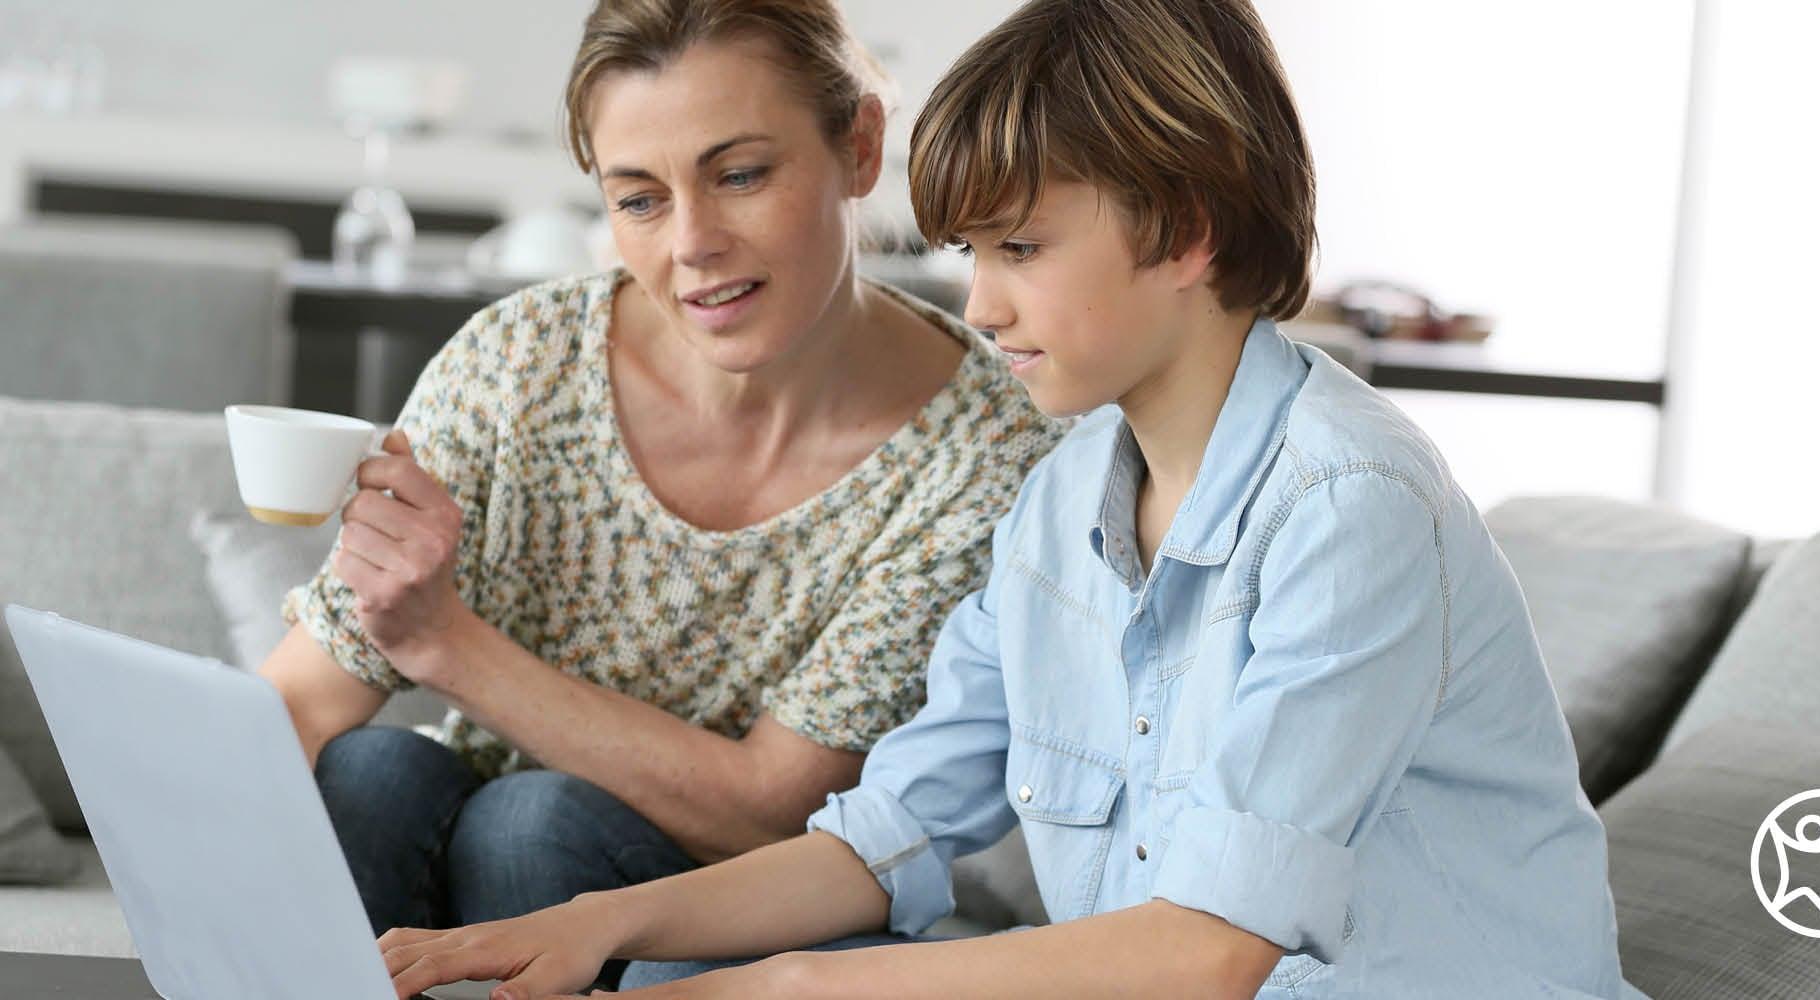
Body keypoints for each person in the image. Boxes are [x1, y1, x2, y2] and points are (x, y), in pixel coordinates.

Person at [375, 0, 1639, 996]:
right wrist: (594, 922)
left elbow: (1206, 955)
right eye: (974, 255)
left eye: (1021, 251)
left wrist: (791, 986)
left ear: (1186, 227)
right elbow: (884, 836)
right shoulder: (1058, 508)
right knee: (662, 956)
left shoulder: (1346, 503)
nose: (978, 307)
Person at [253, 0, 1063, 966]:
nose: (691, 243)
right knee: (370, 771)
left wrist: (445, 644)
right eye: (639, 198)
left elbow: (777, 813)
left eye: (741, 175)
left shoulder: (980, 456)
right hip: (478, 853)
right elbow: (301, 705)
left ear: (859, 146)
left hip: (741, 908)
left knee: (529, 823)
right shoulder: (521, 368)